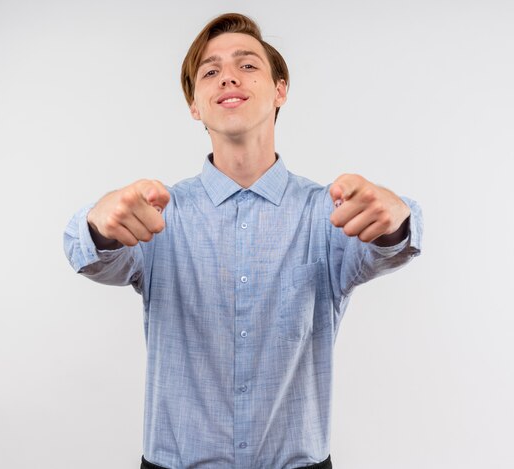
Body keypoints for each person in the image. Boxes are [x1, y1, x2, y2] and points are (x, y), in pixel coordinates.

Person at [64, 12, 422, 469]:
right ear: (195, 104)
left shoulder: (327, 212)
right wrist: (99, 224)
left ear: (280, 90)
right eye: (210, 71)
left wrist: (396, 218)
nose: (228, 76)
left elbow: (389, 247)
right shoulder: (157, 213)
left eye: (247, 64)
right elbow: (90, 256)